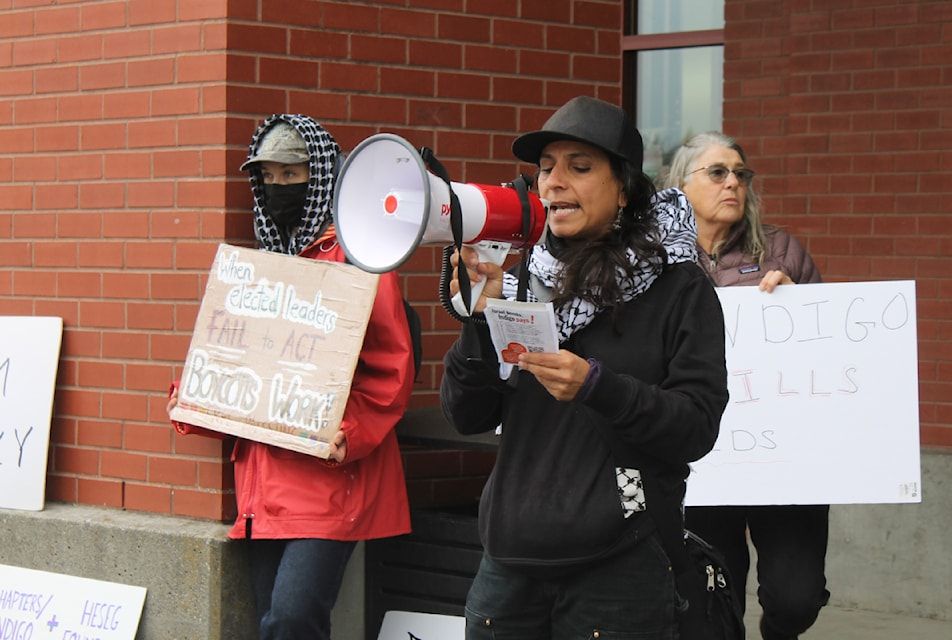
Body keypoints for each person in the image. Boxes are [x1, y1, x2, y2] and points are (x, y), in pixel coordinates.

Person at [440, 96, 730, 638]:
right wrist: (479, 320)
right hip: (508, 563)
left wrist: (598, 386)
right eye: (546, 168)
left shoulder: (678, 288)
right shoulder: (524, 280)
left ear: (623, 187)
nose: (554, 182)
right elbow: (467, 413)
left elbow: (696, 426)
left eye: (579, 167)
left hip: (621, 562)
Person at [167, 114, 415, 640]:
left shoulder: (360, 258)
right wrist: (191, 397)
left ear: (322, 176)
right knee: (275, 624)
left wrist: (350, 430)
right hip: (263, 486)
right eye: (270, 178)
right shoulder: (255, 268)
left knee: (292, 619)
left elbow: (392, 367)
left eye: (293, 174)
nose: (279, 188)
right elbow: (234, 364)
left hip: (329, 482)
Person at [659, 131, 830, 640]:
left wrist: (801, 308)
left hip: (782, 456)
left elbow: (834, 350)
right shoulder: (655, 261)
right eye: (717, 172)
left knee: (796, 596)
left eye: (741, 173)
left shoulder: (781, 251)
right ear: (680, 185)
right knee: (714, 593)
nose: (733, 182)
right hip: (701, 460)